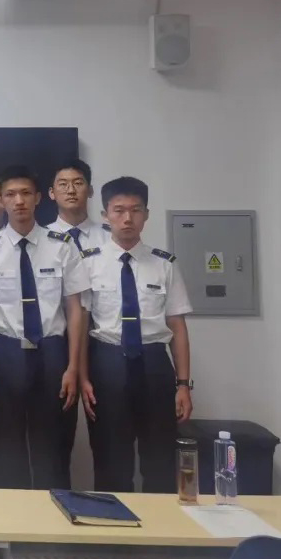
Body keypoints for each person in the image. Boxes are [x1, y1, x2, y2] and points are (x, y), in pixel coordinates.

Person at [0, 165, 89, 491]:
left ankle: (56, 521)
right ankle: (11, 520)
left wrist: (74, 366)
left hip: (52, 352)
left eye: (25, 193)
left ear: (38, 198)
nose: (19, 201)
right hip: (5, 353)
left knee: (53, 449)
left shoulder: (62, 246)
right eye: (11, 194)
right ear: (2, 199)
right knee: (6, 447)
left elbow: (75, 310)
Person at [80, 176, 193, 493]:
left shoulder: (164, 264)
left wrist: (183, 384)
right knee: (110, 461)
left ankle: (160, 525)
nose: (127, 218)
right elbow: (81, 326)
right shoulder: (88, 263)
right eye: (119, 210)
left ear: (146, 214)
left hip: (154, 363)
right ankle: (113, 523)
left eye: (135, 210)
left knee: (160, 461)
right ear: (105, 215)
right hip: (106, 363)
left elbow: (177, 327)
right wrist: (83, 377)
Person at [47, 158, 108, 252]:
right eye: (63, 184)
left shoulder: (109, 236)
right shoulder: (42, 238)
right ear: (52, 193)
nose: (71, 190)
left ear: (90, 191)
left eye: (78, 183)